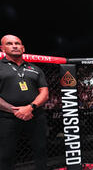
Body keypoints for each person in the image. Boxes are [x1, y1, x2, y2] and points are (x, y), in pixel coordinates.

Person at [0, 35, 49, 170]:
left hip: (35, 115)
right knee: (5, 154)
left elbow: (44, 93)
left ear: (23, 48)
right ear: (2, 48)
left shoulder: (35, 69)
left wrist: (30, 108)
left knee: (41, 151)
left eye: (18, 43)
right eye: (9, 43)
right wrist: (14, 110)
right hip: (6, 117)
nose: (15, 46)